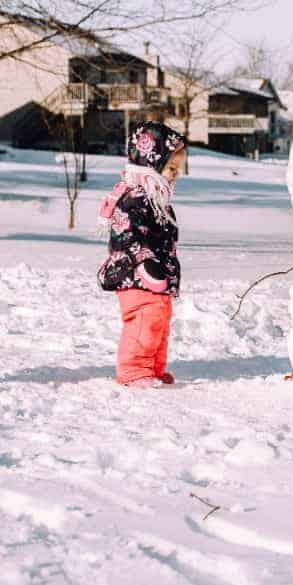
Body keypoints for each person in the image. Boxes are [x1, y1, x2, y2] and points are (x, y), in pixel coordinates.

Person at [97, 121, 187, 387]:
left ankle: (153, 368)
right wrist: (145, 263)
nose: (175, 175)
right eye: (171, 168)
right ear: (152, 163)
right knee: (144, 321)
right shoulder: (135, 197)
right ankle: (134, 370)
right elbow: (127, 235)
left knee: (159, 321)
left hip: (155, 278)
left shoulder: (153, 196)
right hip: (136, 275)